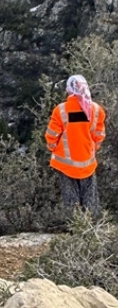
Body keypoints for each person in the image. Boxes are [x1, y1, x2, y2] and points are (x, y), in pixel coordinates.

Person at [45, 74, 106, 217]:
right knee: (90, 197)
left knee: (70, 199)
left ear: (68, 89)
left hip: (65, 164)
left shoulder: (60, 110)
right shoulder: (97, 110)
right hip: (88, 163)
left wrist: (52, 148)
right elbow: (99, 135)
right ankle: (91, 228)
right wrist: (92, 149)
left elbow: (51, 135)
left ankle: (74, 229)